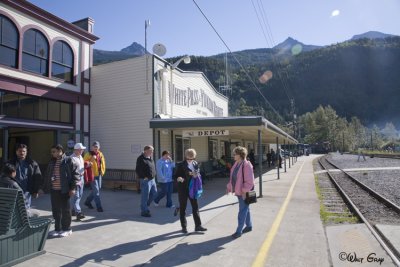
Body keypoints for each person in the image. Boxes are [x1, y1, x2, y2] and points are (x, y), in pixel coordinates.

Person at [43, 144, 79, 238]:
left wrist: (72, 188)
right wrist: (44, 188)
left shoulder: (68, 160)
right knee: (56, 210)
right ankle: (57, 229)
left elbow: (75, 175)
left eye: (54, 151)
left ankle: (67, 229)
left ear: (60, 151)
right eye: (52, 152)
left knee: (65, 211)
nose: (52, 153)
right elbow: (48, 175)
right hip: (54, 190)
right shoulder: (52, 162)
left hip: (65, 190)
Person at [174, 148, 207, 234]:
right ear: (185, 156)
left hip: (193, 188)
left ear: (194, 157)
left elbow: (198, 173)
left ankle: (198, 226)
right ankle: (184, 227)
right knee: (183, 208)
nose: (190, 160)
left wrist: (196, 175)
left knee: (195, 207)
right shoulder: (180, 165)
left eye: (192, 158)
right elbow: (175, 176)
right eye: (188, 158)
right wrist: (179, 178)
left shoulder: (195, 163)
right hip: (183, 188)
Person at [227, 146, 255, 239]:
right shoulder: (236, 164)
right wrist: (229, 187)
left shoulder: (247, 165)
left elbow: (250, 182)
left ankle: (239, 231)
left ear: (240, 155)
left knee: (242, 211)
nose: (233, 155)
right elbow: (233, 178)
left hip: (244, 192)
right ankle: (249, 225)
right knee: (246, 209)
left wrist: (243, 191)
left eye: (235, 154)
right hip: (239, 192)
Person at [7, 143, 42, 212]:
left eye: (24, 151)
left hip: (27, 191)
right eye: (20, 151)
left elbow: (38, 177)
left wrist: (36, 190)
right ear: (16, 152)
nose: (22, 153)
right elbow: (4, 176)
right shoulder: (10, 163)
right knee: (14, 210)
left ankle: (25, 222)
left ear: (26, 152)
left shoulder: (32, 163)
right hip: (14, 190)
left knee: (26, 210)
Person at [84, 141, 106, 212]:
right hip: (92, 175)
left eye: (97, 146)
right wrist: (92, 159)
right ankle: (99, 207)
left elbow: (103, 163)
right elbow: (84, 164)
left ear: (99, 147)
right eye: (94, 146)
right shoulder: (88, 154)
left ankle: (87, 202)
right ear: (92, 147)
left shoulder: (100, 154)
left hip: (99, 174)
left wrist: (102, 171)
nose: (95, 148)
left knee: (97, 190)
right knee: (96, 191)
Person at [136, 145, 157, 217]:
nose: (152, 152)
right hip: (146, 180)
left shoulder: (150, 158)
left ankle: (145, 205)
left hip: (152, 180)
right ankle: (144, 211)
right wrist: (144, 177)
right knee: (145, 196)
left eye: (152, 151)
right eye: (151, 151)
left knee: (154, 193)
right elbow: (138, 170)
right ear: (146, 151)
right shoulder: (141, 159)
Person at [70, 143, 86, 220]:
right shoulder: (71, 158)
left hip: (81, 178)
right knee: (77, 196)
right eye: (81, 149)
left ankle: (73, 210)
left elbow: (81, 167)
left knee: (80, 195)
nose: (82, 150)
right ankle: (78, 212)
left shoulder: (80, 157)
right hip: (75, 179)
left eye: (82, 149)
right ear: (76, 150)